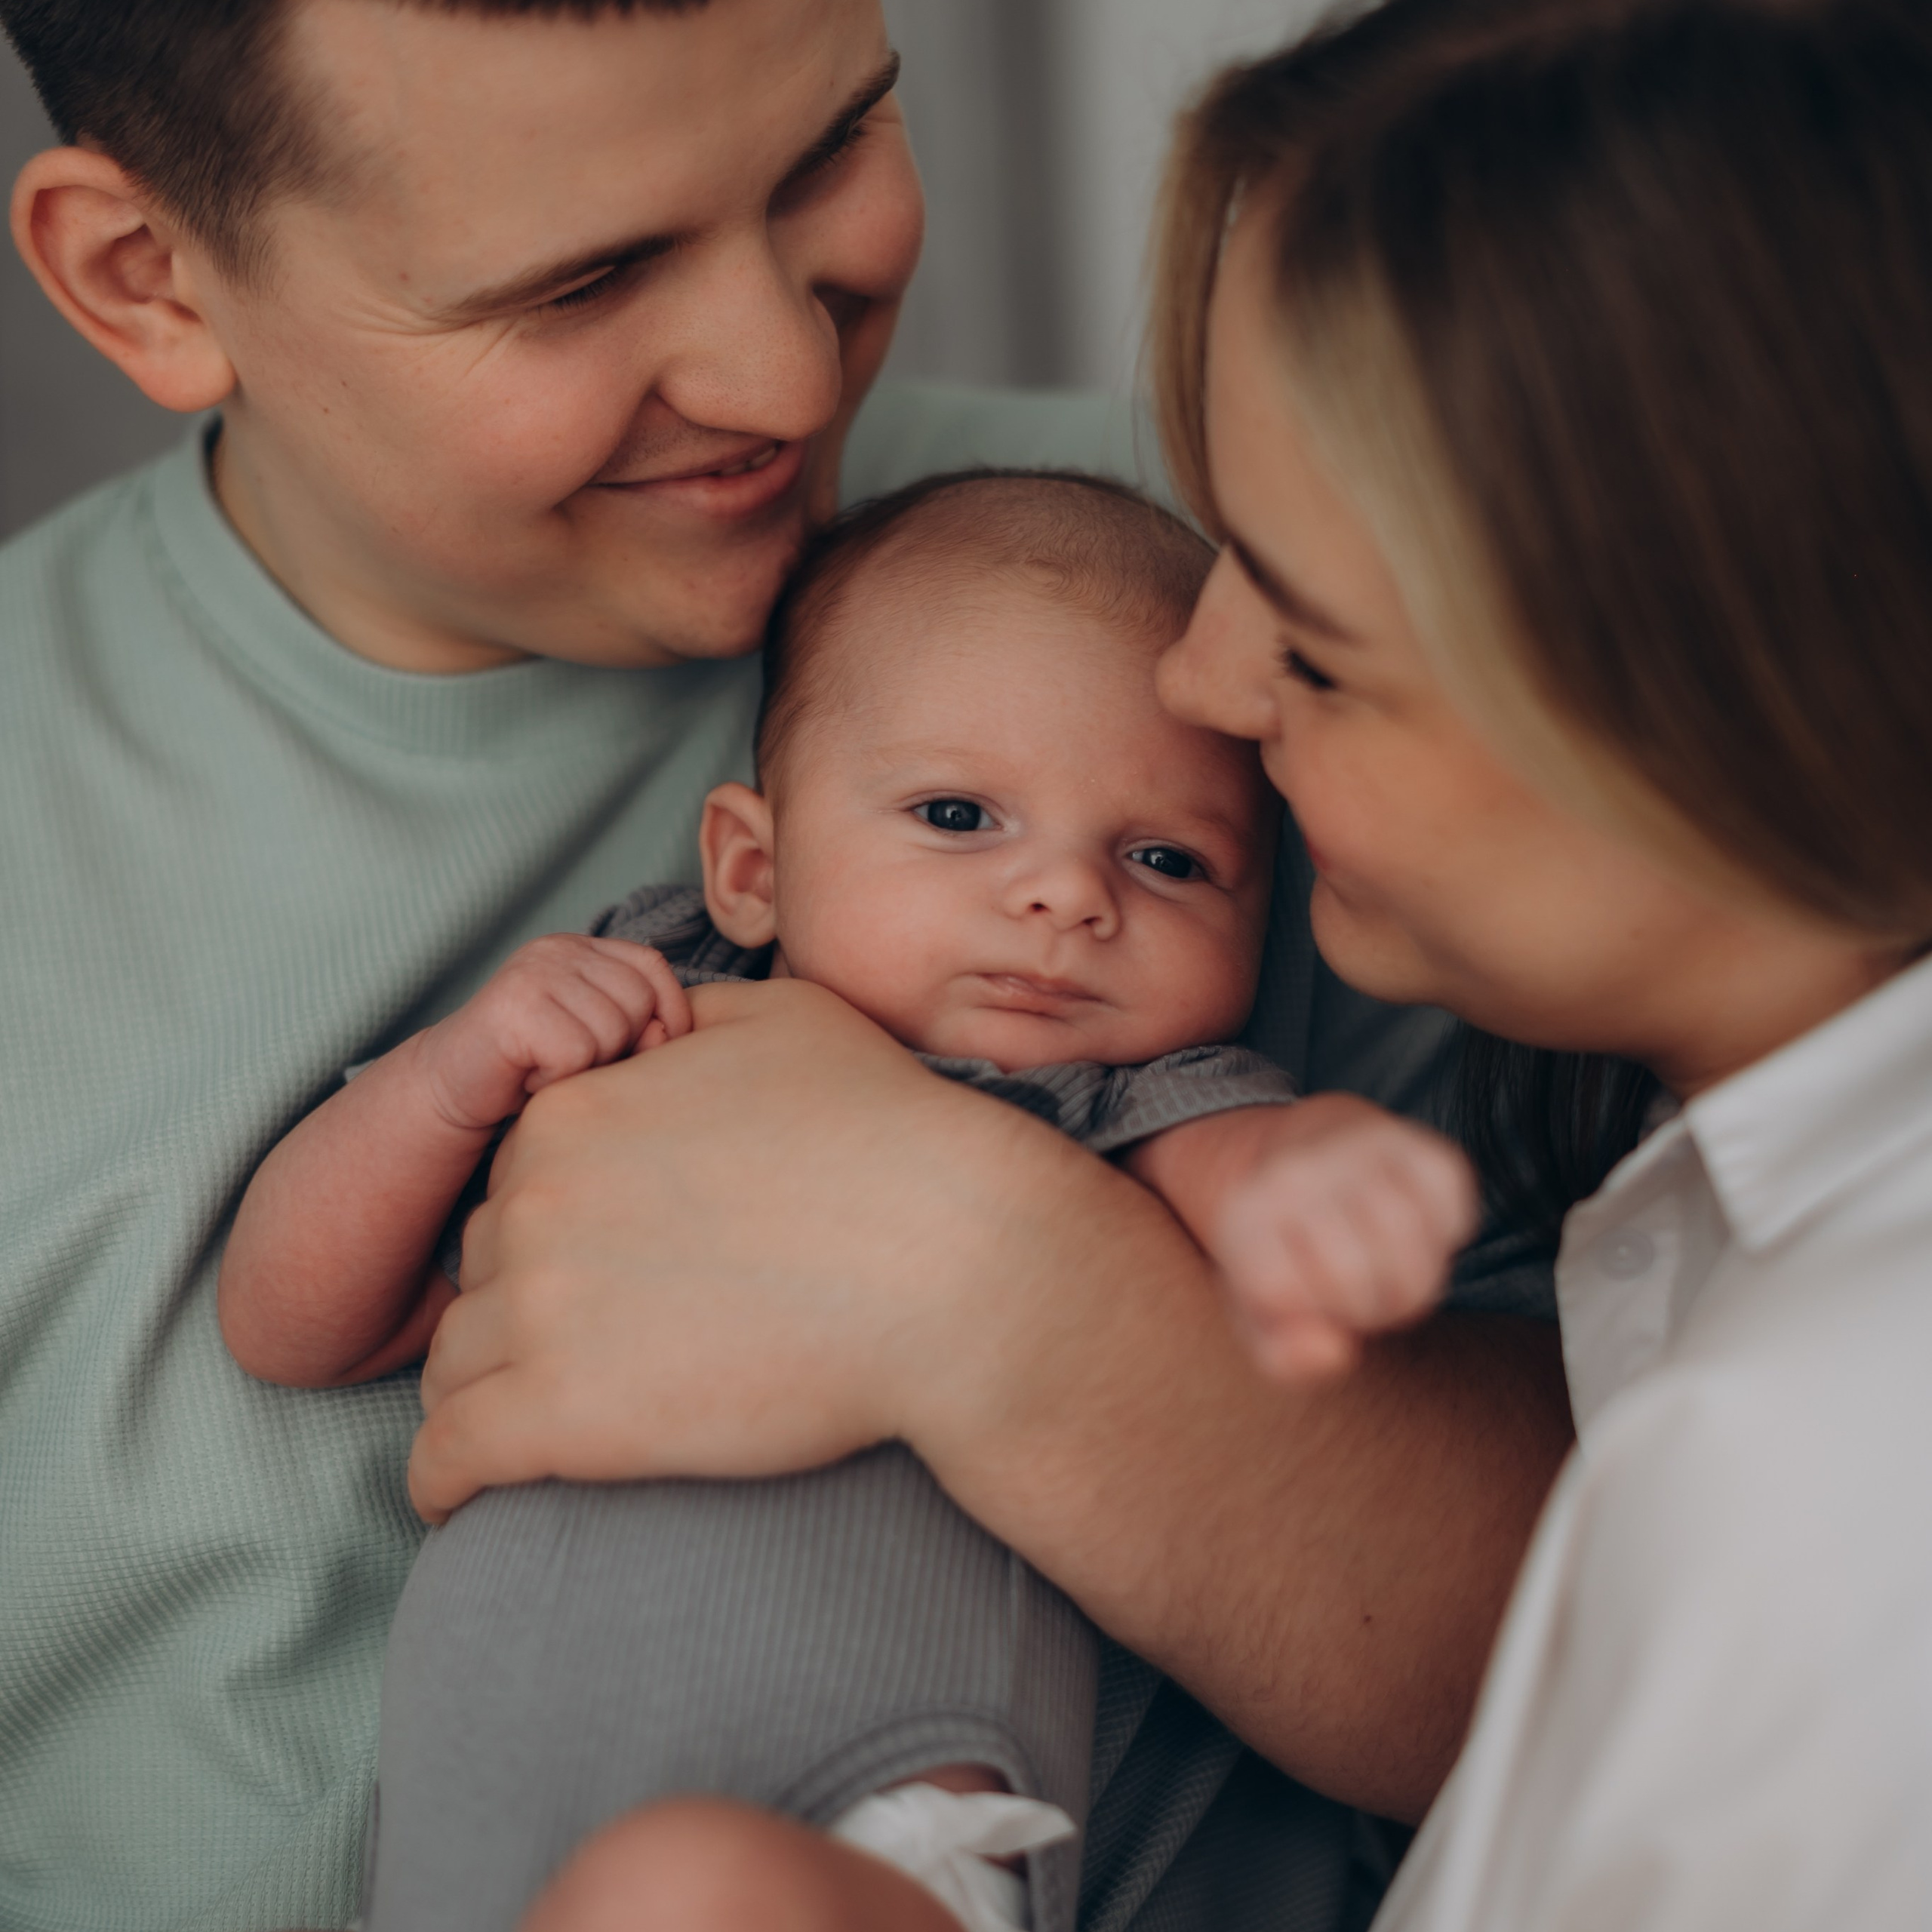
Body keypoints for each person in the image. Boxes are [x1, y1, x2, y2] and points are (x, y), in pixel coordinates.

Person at [0, 3, 1571, 1929]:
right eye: (582, 278)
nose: (778, 375)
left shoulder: (1235, 616)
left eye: (833, 145)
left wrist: (981, 1278)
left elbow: (1699, 1627)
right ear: (143, 277)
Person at [450, 0, 1932, 1921]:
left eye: (1310, 643)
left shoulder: (1829, 1489)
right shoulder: (1726, 1271)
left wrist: (969, 1266)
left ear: (1727, 706)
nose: (1198, 682)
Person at [221, 469, 1476, 1932]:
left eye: (1166, 858)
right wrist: (447, 1082)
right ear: (748, 869)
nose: (1066, 895)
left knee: (689, 1894)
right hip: (477, 1839)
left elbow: (1250, 1170)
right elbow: (291, 1323)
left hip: (871, 1825)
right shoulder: (641, 1026)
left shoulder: (1109, 1105)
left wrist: (1320, 1180)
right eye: (959, 813)